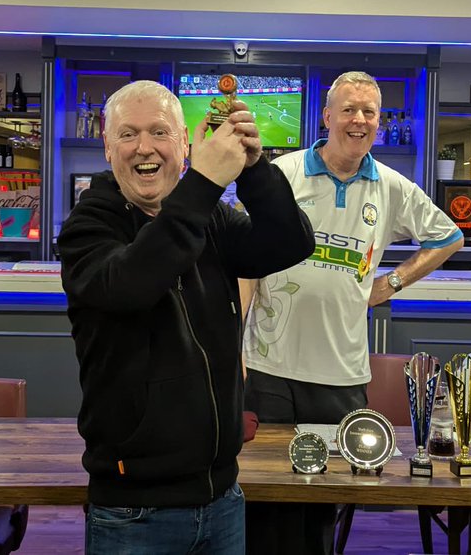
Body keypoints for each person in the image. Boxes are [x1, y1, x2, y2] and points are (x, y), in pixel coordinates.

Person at [58, 80, 314, 555]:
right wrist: (204, 182)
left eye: (159, 132)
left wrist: (254, 169)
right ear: (108, 148)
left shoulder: (211, 219)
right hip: (133, 510)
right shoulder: (89, 227)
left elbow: (289, 244)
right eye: (128, 134)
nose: (144, 147)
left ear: (183, 144)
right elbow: (134, 282)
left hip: (223, 496)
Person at [241, 71, 464, 554]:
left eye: (369, 112)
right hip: (268, 366)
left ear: (379, 123)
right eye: (348, 109)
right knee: (264, 498)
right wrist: (233, 345)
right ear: (327, 117)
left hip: (341, 373)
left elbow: (449, 237)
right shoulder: (283, 174)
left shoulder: (391, 187)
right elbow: (246, 264)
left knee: (325, 501)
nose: (358, 120)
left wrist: (391, 283)